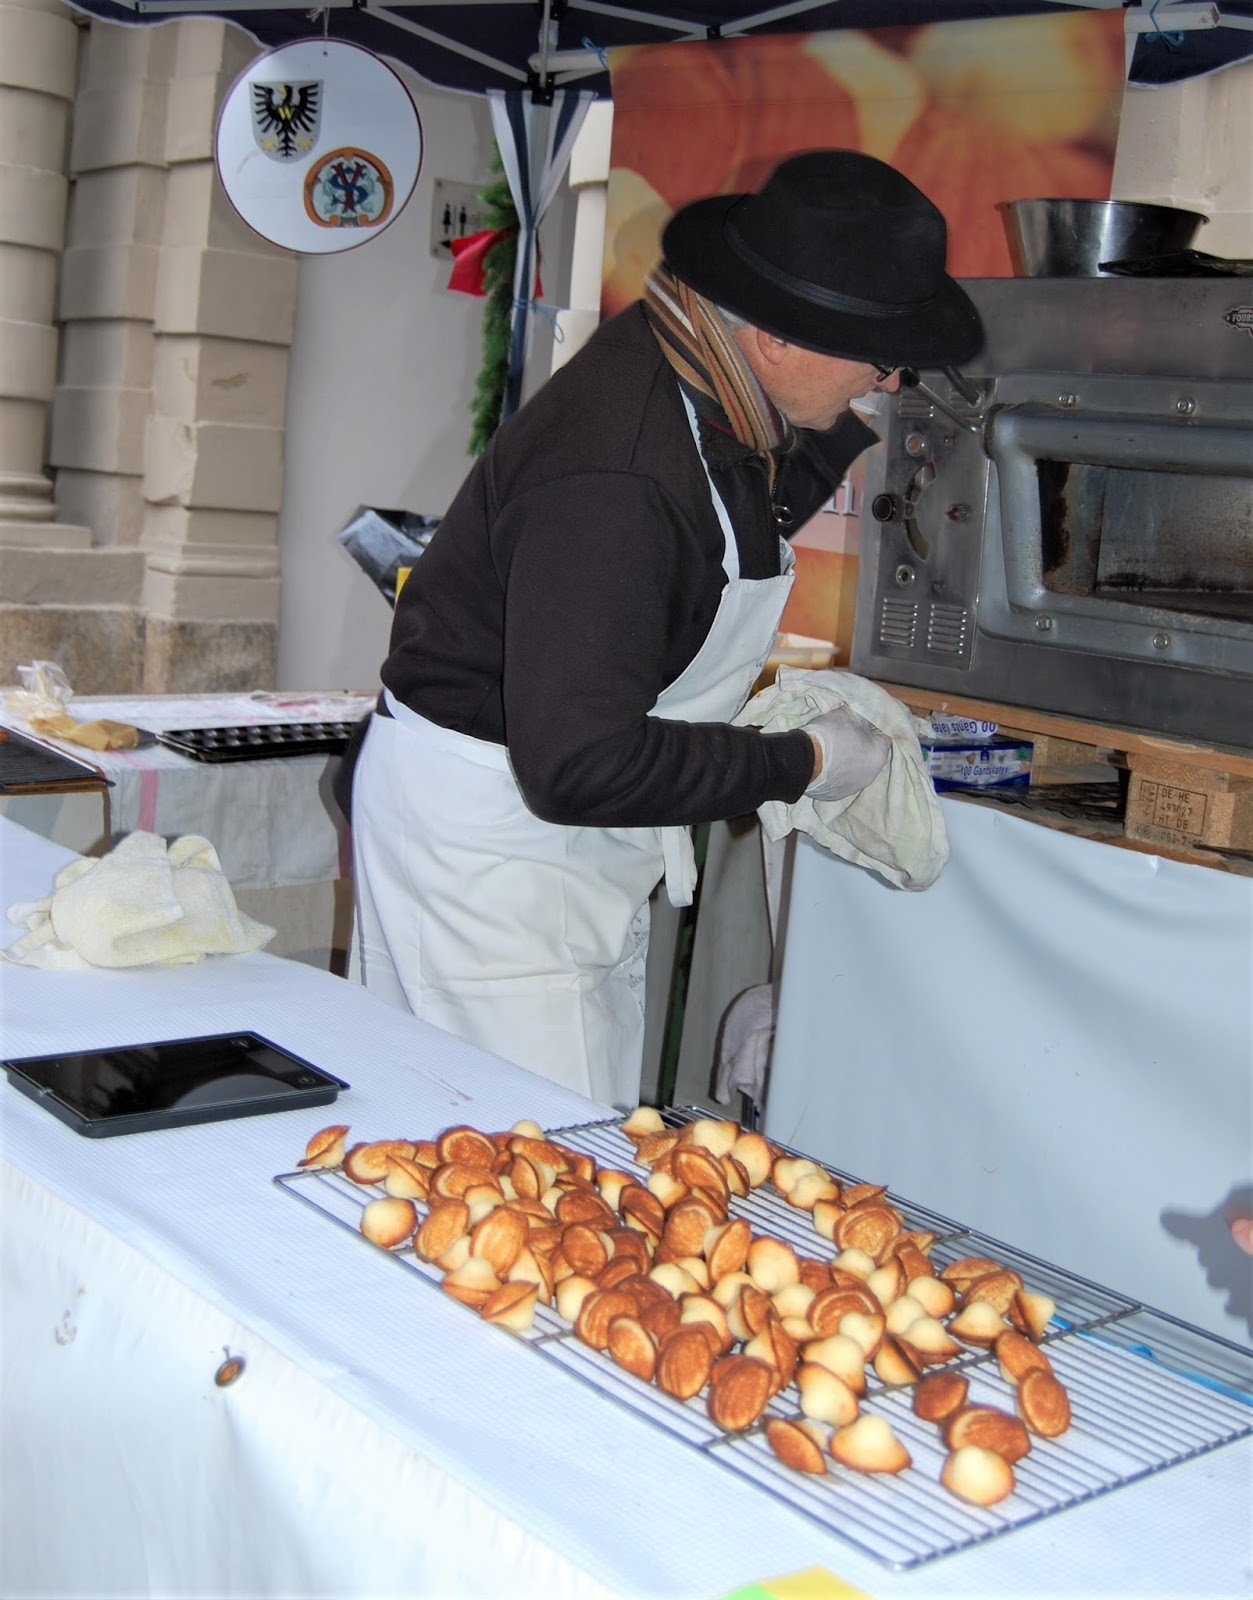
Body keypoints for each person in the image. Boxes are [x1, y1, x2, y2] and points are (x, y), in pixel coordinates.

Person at [346, 148, 983, 1106]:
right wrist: (804, 761)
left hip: (551, 837)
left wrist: (846, 429)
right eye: (880, 360)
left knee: (540, 1134)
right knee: (538, 1161)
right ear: (776, 338)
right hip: (495, 853)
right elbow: (579, 766)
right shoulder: (618, 473)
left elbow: (722, 526)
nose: (890, 383)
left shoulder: (700, 374)